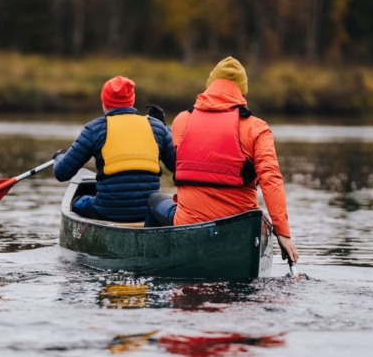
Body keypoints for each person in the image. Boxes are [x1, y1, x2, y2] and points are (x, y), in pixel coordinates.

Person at [144, 56, 298, 263]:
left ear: (209, 86)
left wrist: (162, 130)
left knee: (154, 200)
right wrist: (283, 232)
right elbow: (271, 179)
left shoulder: (182, 121)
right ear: (242, 92)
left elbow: (177, 163)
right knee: (259, 218)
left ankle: (152, 262)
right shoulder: (257, 128)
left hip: (189, 223)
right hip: (239, 227)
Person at [52, 75, 175, 222]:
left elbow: (61, 173)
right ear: (132, 101)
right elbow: (177, 166)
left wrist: (60, 156)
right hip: (147, 211)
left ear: (104, 102)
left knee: (79, 200)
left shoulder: (94, 129)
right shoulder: (156, 127)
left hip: (107, 211)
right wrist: (165, 128)